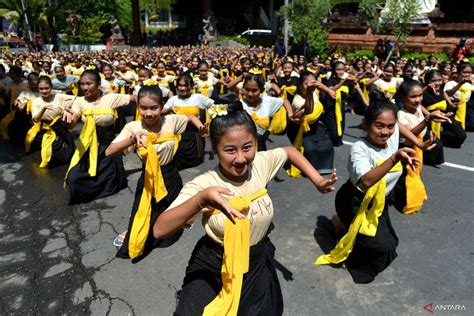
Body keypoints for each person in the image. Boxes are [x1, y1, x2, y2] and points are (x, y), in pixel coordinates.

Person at [153, 101, 338, 314]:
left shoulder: (259, 163)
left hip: (256, 262)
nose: (241, 159)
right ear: (215, 149)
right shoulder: (203, 184)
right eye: (230, 150)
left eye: (247, 147)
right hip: (215, 263)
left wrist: (318, 180)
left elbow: (288, 151)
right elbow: (160, 229)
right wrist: (202, 200)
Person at [317, 100, 421, 284]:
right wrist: (394, 157)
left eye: (390, 126)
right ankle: (347, 248)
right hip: (354, 202)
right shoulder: (360, 148)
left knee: (391, 244)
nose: (385, 132)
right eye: (379, 126)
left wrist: (424, 129)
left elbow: (399, 128)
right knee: (381, 247)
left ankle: (342, 225)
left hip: (377, 203)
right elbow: (365, 181)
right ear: (366, 124)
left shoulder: (390, 136)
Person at [106, 85, 205, 260]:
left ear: (162, 106)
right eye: (143, 108)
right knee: (143, 212)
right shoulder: (133, 127)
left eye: (154, 108)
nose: (149, 113)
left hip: (171, 175)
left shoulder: (171, 121)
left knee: (169, 213)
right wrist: (132, 139)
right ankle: (134, 232)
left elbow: (189, 116)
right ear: (138, 107)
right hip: (149, 179)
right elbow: (109, 151)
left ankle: (163, 235)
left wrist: (199, 125)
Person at [62, 70, 137, 205]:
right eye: (82, 84)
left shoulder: (111, 98)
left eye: (89, 84)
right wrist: (68, 119)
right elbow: (71, 125)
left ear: (98, 84)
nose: (85, 87)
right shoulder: (79, 101)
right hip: (88, 146)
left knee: (111, 180)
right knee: (73, 178)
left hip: (108, 147)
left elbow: (136, 98)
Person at [286, 72, 335, 177]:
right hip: (300, 129)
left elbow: (322, 87)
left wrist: (328, 90)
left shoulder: (314, 88)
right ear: (300, 85)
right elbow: (309, 109)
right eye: (306, 84)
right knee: (309, 149)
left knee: (327, 145)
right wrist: (309, 91)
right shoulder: (297, 100)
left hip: (316, 125)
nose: (310, 85)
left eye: (313, 82)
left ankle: (323, 167)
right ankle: (307, 168)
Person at [162, 74, 212, 170]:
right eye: (180, 85)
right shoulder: (173, 99)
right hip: (178, 133)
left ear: (191, 86)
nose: (182, 88)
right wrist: (168, 109)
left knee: (195, 160)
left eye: (185, 85)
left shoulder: (198, 97)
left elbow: (213, 107)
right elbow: (161, 111)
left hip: (194, 133)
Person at [26, 76, 76, 168]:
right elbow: (35, 119)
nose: (44, 91)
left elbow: (77, 100)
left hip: (61, 127)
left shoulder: (59, 97)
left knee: (68, 156)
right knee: (55, 156)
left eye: (46, 88)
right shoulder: (36, 101)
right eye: (41, 89)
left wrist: (68, 109)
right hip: (45, 129)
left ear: (51, 87)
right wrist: (43, 109)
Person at [240, 74, 294, 150]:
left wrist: (290, 113)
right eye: (247, 90)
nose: (250, 94)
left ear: (261, 90)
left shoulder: (267, 101)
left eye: (254, 90)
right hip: (244, 148)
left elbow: (284, 101)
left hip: (261, 147)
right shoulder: (239, 105)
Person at [423, 70, 466, 148]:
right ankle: (435, 139)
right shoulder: (423, 92)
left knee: (461, 135)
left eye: (439, 80)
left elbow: (449, 93)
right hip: (430, 120)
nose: (437, 83)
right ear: (427, 81)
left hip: (445, 115)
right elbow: (418, 102)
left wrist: (461, 83)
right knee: (435, 143)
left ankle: (440, 138)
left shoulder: (441, 90)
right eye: (433, 81)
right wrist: (429, 115)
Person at [444, 62, 474, 131]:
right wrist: (461, 83)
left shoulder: (470, 84)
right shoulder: (451, 83)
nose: (467, 74)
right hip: (453, 109)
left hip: (466, 109)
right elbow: (449, 94)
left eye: (469, 72)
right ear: (458, 72)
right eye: (464, 72)